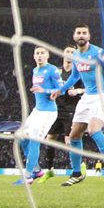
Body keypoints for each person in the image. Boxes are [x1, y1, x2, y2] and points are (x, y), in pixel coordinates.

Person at [51, 24, 104, 187]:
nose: (81, 35)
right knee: (73, 136)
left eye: (84, 33)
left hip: (103, 95)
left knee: (93, 129)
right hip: (87, 97)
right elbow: (74, 77)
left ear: (89, 36)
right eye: (78, 33)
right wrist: (61, 90)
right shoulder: (75, 56)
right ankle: (77, 173)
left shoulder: (98, 53)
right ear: (74, 36)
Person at [13, 46, 66, 185]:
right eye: (37, 53)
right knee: (21, 138)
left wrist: (45, 90)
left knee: (34, 140)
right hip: (37, 111)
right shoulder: (35, 70)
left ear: (47, 55)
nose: (40, 55)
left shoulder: (52, 70)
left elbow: (62, 89)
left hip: (48, 112)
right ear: (34, 56)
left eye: (42, 53)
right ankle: (36, 170)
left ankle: (28, 175)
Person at [41, 45, 82, 179]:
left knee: (69, 140)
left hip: (71, 110)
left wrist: (78, 91)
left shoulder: (78, 73)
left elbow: (90, 88)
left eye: (72, 52)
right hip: (55, 110)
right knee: (49, 139)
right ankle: (50, 170)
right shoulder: (56, 71)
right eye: (67, 51)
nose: (69, 54)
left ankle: (78, 168)